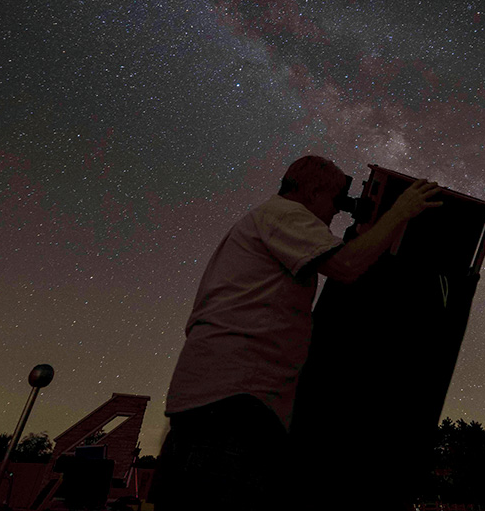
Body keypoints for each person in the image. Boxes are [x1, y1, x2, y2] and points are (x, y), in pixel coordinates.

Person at [150, 155, 441, 510]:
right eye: (336, 202)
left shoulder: (265, 220)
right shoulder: (287, 215)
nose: (337, 213)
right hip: (239, 405)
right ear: (315, 191)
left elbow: (347, 254)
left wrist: (368, 234)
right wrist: (399, 212)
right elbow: (347, 265)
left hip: (210, 401)